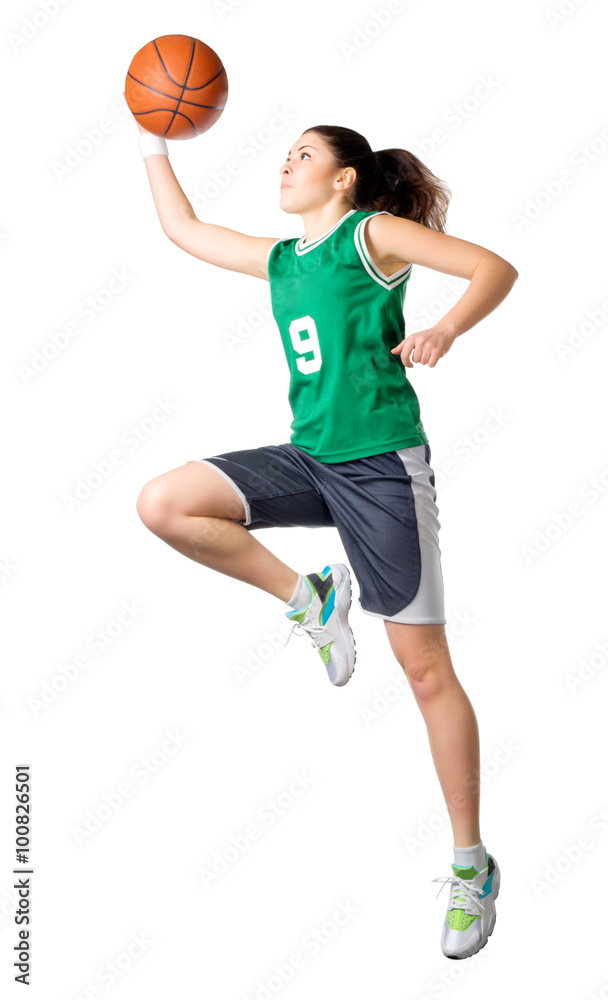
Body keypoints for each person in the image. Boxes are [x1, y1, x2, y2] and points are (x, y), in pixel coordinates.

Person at [129, 107, 517, 959]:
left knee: (424, 672)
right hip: (309, 459)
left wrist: (445, 328)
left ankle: (471, 867)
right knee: (165, 502)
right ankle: (308, 595)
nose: (285, 165)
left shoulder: (371, 235)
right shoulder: (280, 260)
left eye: (302, 155)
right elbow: (186, 230)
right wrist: (153, 136)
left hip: (380, 469)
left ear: (343, 177)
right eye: (284, 155)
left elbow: (493, 266)